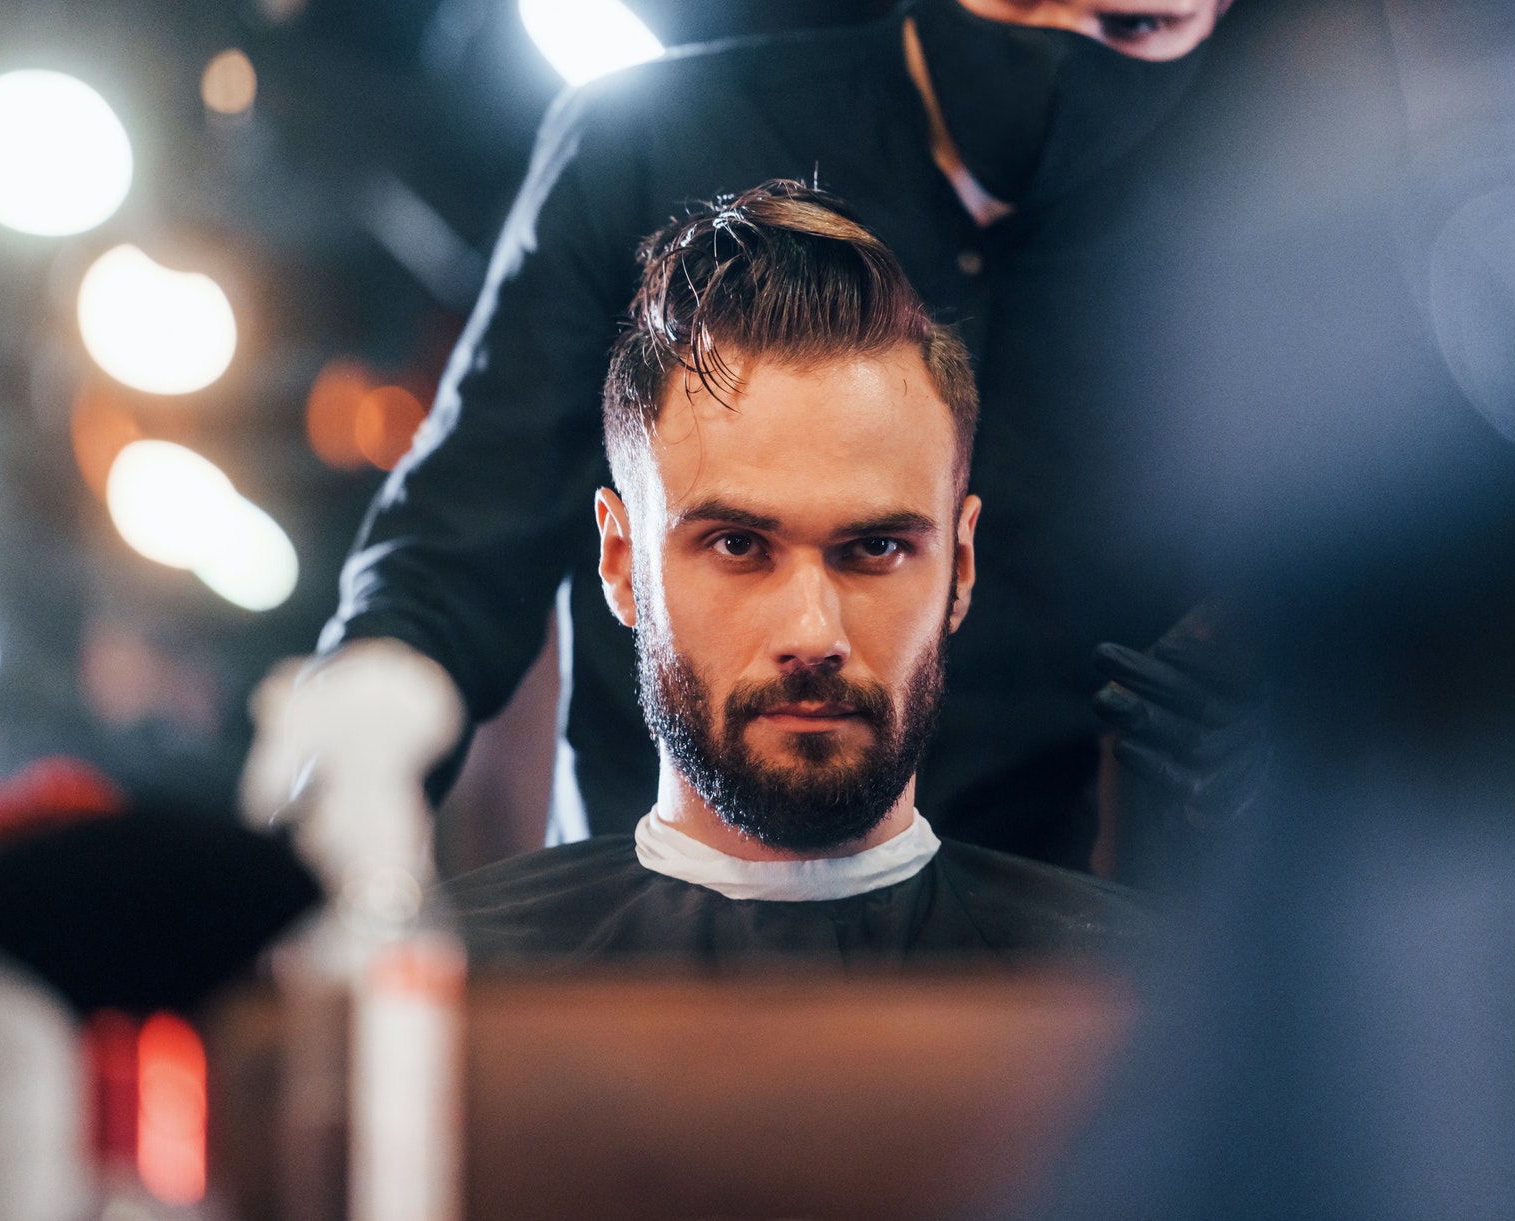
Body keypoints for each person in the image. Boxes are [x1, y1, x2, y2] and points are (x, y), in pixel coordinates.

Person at [247, 0, 1290, 886]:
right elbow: (466, 527)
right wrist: (374, 714)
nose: (1058, 65)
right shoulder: (651, 141)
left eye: (1137, 25)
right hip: (643, 956)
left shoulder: (1242, 263)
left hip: (1006, 985)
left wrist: (1284, 723)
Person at [448, 184, 1151, 963]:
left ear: (962, 565)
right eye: (739, 545)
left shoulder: (1139, 1000)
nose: (812, 634)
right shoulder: (445, 998)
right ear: (621, 562)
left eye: (876, 547)